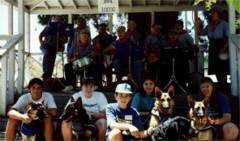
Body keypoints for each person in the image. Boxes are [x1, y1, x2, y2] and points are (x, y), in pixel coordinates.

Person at [197, 8, 229, 93]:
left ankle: (225, 88)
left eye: (214, 13)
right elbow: (200, 33)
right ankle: (218, 87)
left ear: (218, 14)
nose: (212, 15)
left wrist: (224, 48)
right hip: (213, 47)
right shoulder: (209, 25)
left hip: (222, 46)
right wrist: (198, 24)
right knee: (214, 68)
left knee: (223, 68)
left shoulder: (224, 24)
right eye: (211, 14)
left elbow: (229, 38)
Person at [39, 15, 67, 80]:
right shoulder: (49, 27)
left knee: (52, 61)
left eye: (59, 20)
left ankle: (48, 77)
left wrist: (62, 39)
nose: (58, 21)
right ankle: (45, 72)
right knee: (47, 53)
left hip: (54, 47)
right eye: (57, 19)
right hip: (46, 46)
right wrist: (41, 43)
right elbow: (40, 35)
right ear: (54, 20)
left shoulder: (62, 30)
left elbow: (65, 41)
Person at [127, 20, 144, 86]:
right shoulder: (125, 34)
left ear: (135, 26)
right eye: (129, 24)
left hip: (136, 56)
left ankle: (138, 85)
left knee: (138, 63)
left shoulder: (138, 34)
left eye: (132, 24)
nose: (130, 26)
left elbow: (140, 46)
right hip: (126, 57)